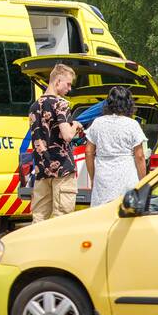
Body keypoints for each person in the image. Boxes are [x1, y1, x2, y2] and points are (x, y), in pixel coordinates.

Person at [28, 63, 84, 223]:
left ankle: (36, 248)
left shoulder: (33, 106)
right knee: (62, 218)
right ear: (57, 81)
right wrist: (76, 125)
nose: (69, 89)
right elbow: (67, 135)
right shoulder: (60, 103)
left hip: (41, 168)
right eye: (68, 84)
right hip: (62, 169)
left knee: (39, 217)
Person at [84, 86, 147, 207]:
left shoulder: (97, 122)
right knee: (125, 211)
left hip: (103, 177)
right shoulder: (132, 125)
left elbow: (88, 152)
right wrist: (143, 182)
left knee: (101, 214)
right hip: (127, 176)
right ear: (128, 104)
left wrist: (93, 178)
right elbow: (140, 156)